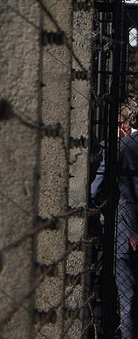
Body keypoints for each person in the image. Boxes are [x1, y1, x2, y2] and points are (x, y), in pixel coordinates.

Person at [91, 106, 138, 339]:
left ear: (125, 124)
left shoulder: (119, 149)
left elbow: (94, 190)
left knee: (128, 297)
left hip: (127, 231)